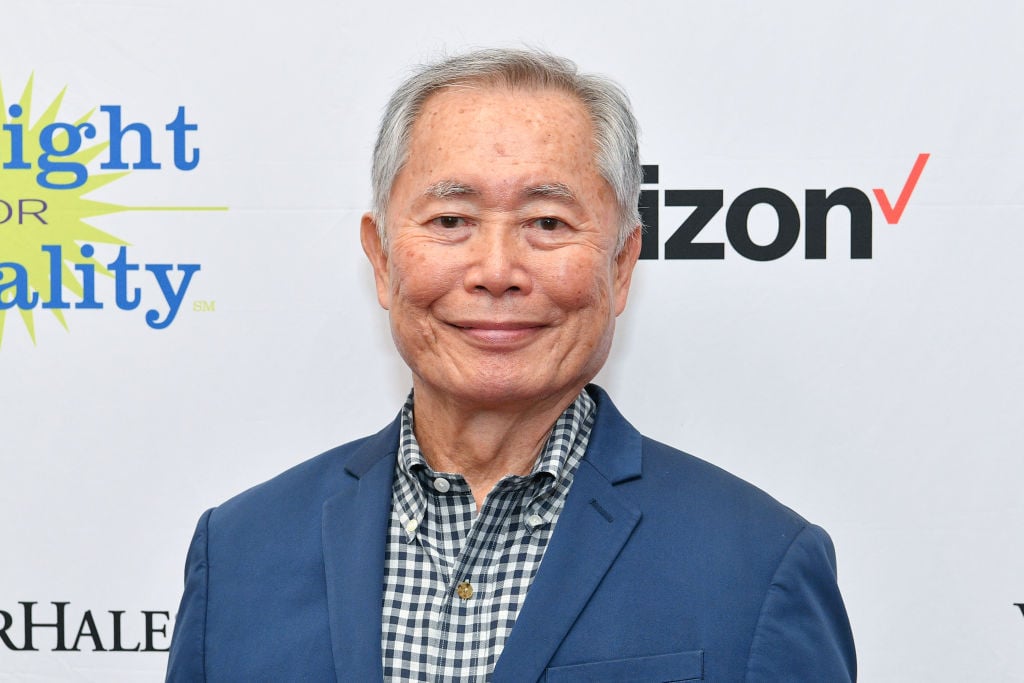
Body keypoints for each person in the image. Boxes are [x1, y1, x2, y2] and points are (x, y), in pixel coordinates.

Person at [166, 48, 856, 682]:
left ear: (621, 265)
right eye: (451, 221)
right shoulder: (239, 552)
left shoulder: (759, 563)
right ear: (381, 259)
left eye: (547, 223)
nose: (496, 271)